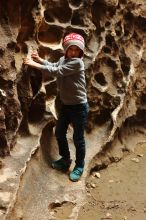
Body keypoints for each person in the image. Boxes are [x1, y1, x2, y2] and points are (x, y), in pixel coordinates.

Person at [23, 32, 89, 181]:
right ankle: (65, 159)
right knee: (59, 132)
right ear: (66, 49)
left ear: (81, 52)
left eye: (77, 50)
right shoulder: (63, 59)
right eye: (71, 49)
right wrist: (40, 60)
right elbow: (53, 65)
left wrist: (35, 64)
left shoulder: (77, 63)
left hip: (79, 107)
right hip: (66, 105)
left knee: (78, 138)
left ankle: (79, 166)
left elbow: (56, 72)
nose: (74, 52)